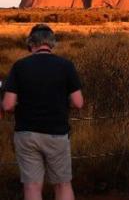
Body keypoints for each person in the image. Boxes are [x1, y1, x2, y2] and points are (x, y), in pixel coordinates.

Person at [1, 24, 84, 200]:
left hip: (27, 134)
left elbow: (8, 105)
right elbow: (78, 103)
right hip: (57, 134)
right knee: (62, 185)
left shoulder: (19, 66)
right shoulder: (66, 65)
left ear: (31, 44)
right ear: (51, 44)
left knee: (32, 187)